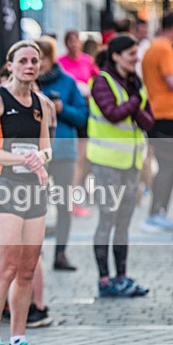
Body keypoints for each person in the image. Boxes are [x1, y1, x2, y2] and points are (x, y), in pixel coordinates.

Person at [0, 40, 53, 345]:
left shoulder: (42, 103)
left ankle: (18, 339)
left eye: (34, 60)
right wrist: (21, 158)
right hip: (2, 185)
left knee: (27, 268)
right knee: (5, 267)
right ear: (10, 65)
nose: (30, 65)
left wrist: (40, 158)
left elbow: (46, 147)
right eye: (23, 60)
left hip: (33, 188)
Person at [87, 36, 153, 298]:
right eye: (130, 53)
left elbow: (149, 121)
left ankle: (122, 277)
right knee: (107, 219)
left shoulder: (135, 82)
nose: (135, 58)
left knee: (124, 222)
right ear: (116, 56)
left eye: (136, 53)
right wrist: (135, 102)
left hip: (131, 163)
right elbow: (112, 113)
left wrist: (134, 104)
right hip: (106, 163)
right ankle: (105, 281)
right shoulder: (102, 81)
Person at [36, 36, 89, 272]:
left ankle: (61, 253)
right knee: (34, 204)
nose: (36, 64)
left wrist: (62, 108)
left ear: (50, 58)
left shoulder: (67, 82)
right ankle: (35, 251)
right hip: (35, 154)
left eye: (40, 59)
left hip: (63, 151)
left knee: (64, 204)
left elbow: (81, 116)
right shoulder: (28, 82)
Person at [141, 12, 173, 233]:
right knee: (168, 165)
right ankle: (156, 213)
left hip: (159, 113)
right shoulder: (164, 48)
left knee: (170, 165)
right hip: (166, 114)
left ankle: (159, 212)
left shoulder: (154, 47)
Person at [59, 29, 99, 219]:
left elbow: (98, 81)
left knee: (82, 159)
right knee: (72, 159)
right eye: (70, 41)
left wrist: (90, 91)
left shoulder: (87, 61)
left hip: (84, 111)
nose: (74, 44)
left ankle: (75, 196)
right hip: (67, 113)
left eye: (77, 41)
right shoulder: (61, 63)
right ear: (66, 43)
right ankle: (69, 199)